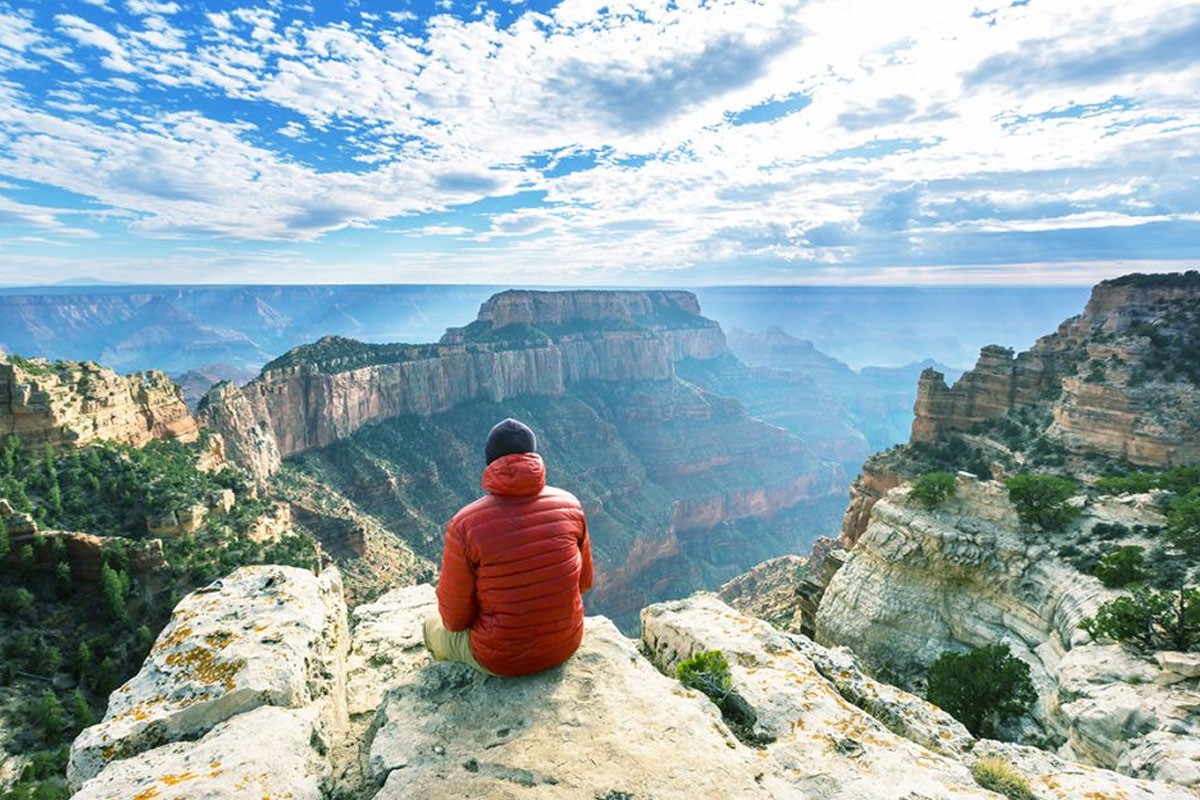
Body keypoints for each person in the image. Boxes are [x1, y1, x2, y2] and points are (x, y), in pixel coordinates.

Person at [424, 418, 594, 676]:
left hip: (501, 659)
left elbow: (455, 620)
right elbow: (584, 583)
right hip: (565, 644)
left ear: (490, 462)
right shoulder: (570, 505)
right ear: (533, 456)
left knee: (430, 626)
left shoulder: (464, 525)